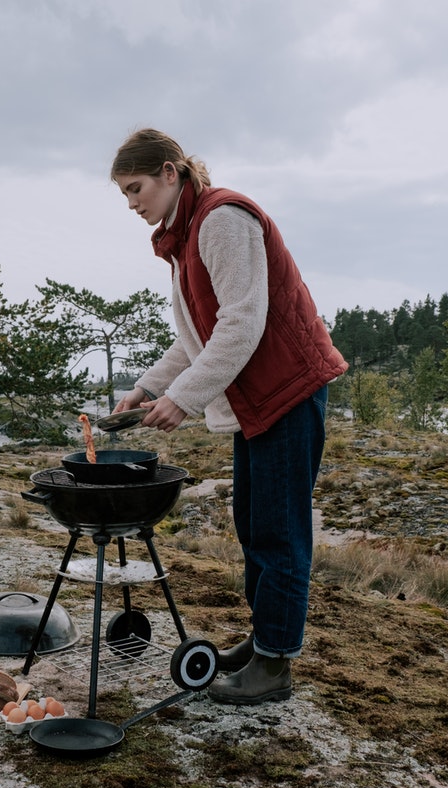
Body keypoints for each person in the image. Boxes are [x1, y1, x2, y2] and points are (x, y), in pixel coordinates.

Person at [109, 128, 348, 705]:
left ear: (171, 172)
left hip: (286, 392)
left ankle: (275, 665)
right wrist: (146, 388)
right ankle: (267, 639)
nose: (133, 204)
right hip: (258, 402)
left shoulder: (220, 221)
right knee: (253, 524)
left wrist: (184, 399)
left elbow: (242, 322)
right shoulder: (186, 235)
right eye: (124, 196)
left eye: (137, 188)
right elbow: (198, 336)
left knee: (280, 533)